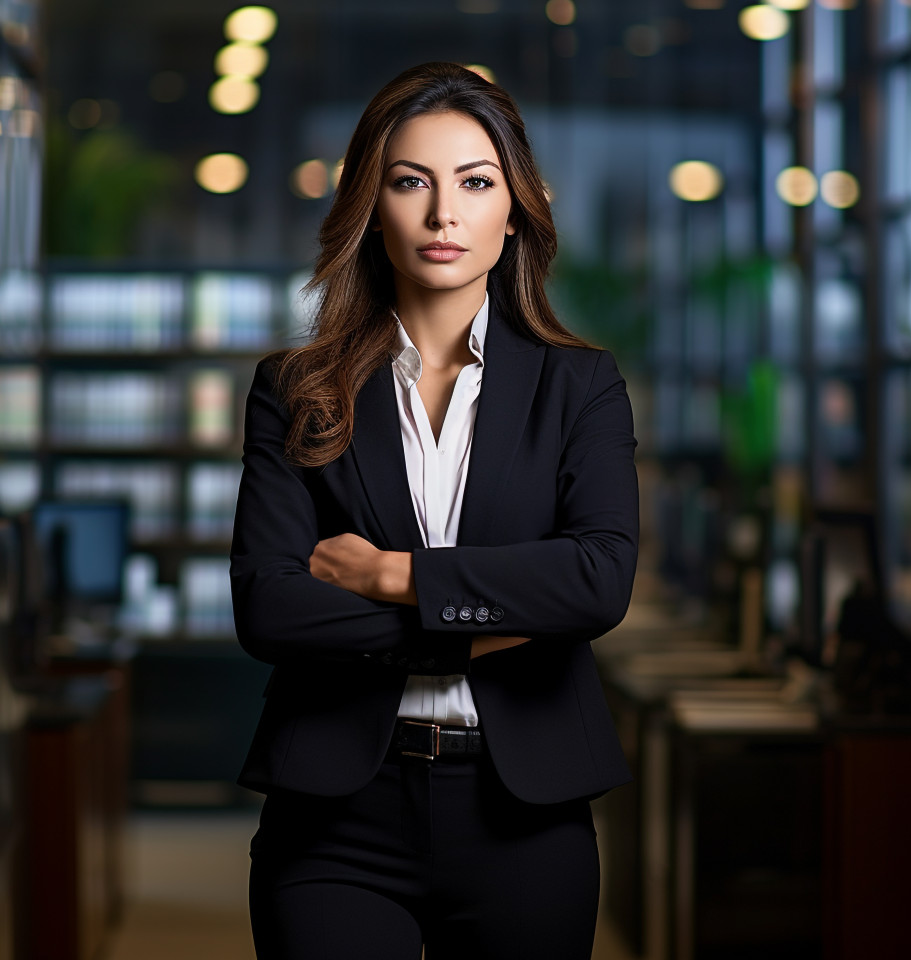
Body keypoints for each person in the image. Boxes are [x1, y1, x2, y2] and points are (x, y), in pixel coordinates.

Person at [231, 61, 638, 960]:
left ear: (515, 207)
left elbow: (597, 581)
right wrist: (469, 629)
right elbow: (270, 606)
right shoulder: (296, 390)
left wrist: (390, 575)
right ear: (371, 206)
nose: (442, 214)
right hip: (337, 813)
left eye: (475, 182)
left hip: (523, 812)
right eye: (410, 181)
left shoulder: (582, 388)